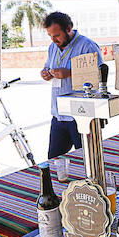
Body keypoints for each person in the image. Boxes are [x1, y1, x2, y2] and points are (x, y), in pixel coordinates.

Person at [40, 12, 103, 159]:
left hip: (82, 115)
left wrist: (69, 73)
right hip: (58, 115)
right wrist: (45, 73)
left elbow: (99, 75)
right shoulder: (52, 47)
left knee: (89, 159)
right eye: (50, 36)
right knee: (54, 161)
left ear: (68, 28)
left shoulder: (87, 45)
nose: (54, 40)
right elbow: (47, 66)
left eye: (57, 35)